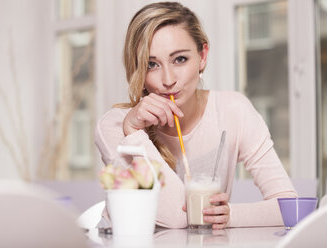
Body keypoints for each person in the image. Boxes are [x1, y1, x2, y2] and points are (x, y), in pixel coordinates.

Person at [95, 1, 297, 230]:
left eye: (180, 59)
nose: (168, 79)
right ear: (138, 70)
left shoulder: (234, 111)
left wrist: (229, 216)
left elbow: (289, 207)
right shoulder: (113, 126)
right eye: (151, 64)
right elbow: (178, 216)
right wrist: (133, 133)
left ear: (202, 57)